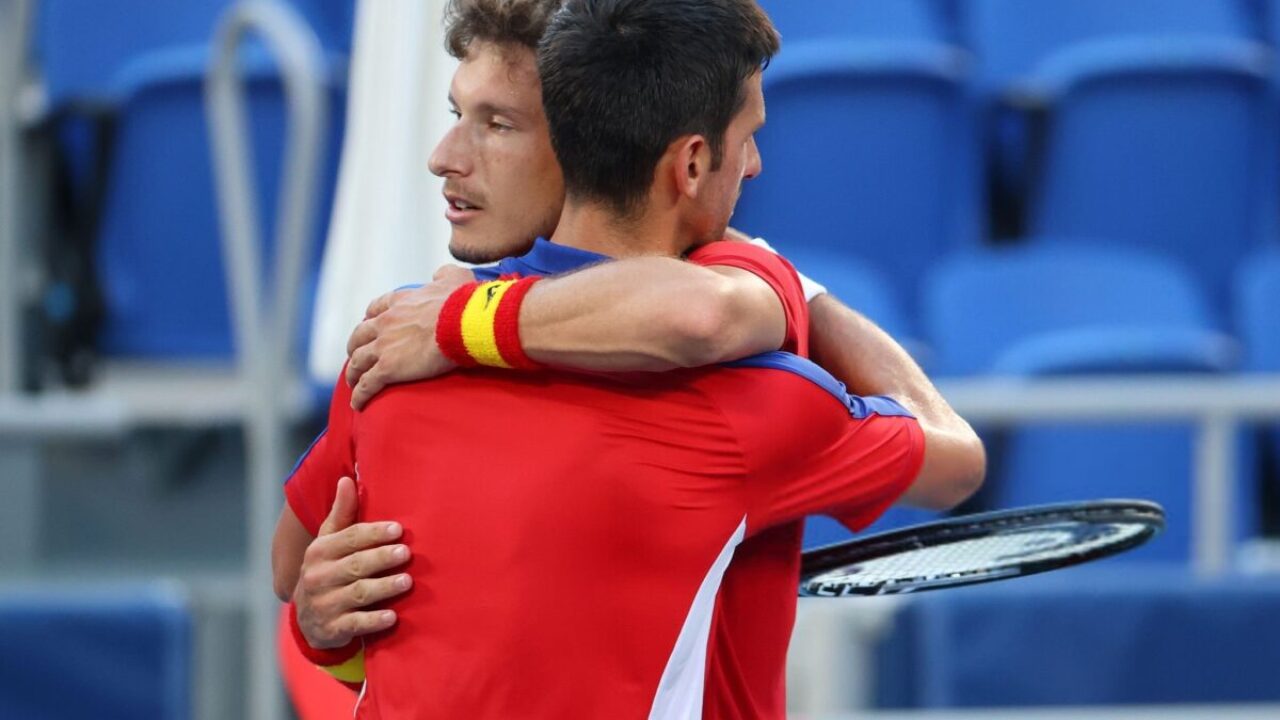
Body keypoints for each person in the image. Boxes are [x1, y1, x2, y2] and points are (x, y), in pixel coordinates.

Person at [275, 0, 985, 717]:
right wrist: (789, 282)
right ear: (692, 161)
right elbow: (956, 460)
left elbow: (307, 581)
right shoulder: (743, 397)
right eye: (750, 139)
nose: (445, 157)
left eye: (497, 124)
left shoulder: (400, 341)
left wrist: (327, 636)